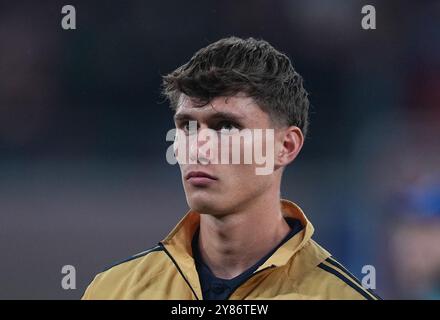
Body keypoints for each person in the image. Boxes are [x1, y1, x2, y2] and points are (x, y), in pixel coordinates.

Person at [82, 37, 381, 300]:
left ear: (286, 147)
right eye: (187, 126)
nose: (198, 148)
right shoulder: (112, 292)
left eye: (226, 126)